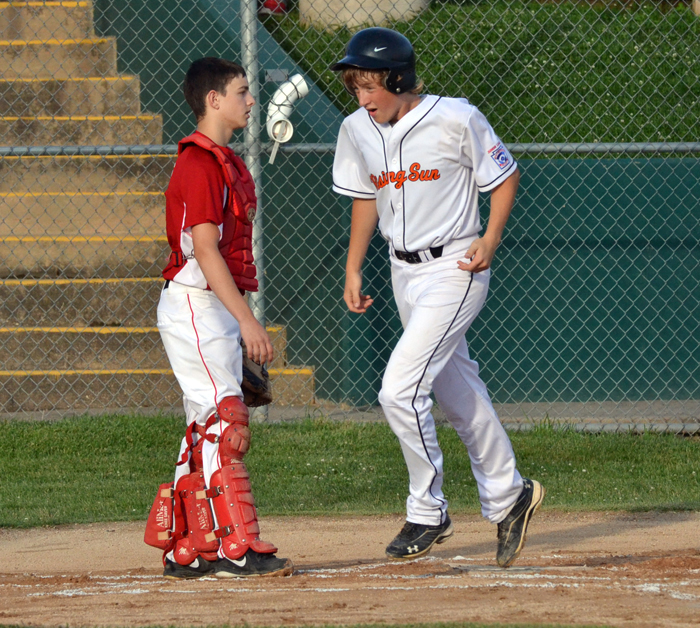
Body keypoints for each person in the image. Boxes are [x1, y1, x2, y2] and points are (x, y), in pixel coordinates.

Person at [330, 28, 544, 568]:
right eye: (356, 86)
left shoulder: (455, 117)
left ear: (399, 78)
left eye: (370, 85)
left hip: (456, 266)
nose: (362, 97)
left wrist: (490, 238)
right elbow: (366, 200)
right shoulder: (357, 129)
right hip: (403, 272)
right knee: (457, 393)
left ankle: (427, 509)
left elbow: (505, 174)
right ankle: (510, 495)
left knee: (399, 390)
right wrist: (354, 266)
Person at [144, 57, 292, 579]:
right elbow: (205, 250)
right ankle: (236, 548)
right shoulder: (201, 164)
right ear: (214, 100)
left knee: (204, 426)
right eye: (242, 91)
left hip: (208, 308)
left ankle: (189, 546)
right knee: (224, 424)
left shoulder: (223, 161)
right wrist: (247, 323)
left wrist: (240, 321)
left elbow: (225, 258)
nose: (250, 100)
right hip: (194, 305)